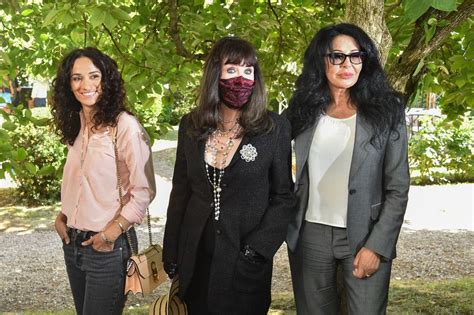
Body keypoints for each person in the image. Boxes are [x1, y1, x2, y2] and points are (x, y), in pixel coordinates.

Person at [162, 37, 295, 314]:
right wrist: (172, 250)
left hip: (243, 261)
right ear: (215, 73)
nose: (241, 78)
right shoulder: (191, 125)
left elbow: (283, 197)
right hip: (195, 257)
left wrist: (257, 250)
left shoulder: (275, 128)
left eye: (249, 71)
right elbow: (181, 191)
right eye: (232, 69)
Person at [285, 23, 410, 314]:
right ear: (321, 60)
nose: (347, 64)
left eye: (356, 56)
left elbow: (397, 187)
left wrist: (377, 246)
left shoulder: (387, 110)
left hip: (364, 234)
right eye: (337, 56)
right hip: (310, 234)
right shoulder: (303, 108)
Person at [51, 47, 156, 315]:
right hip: (72, 244)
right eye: (76, 78)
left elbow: (144, 191)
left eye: (94, 76)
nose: (85, 85)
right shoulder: (76, 124)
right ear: (68, 84)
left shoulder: (125, 126)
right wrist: (62, 215)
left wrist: (110, 233)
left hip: (107, 247)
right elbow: (82, 182)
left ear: (106, 80)